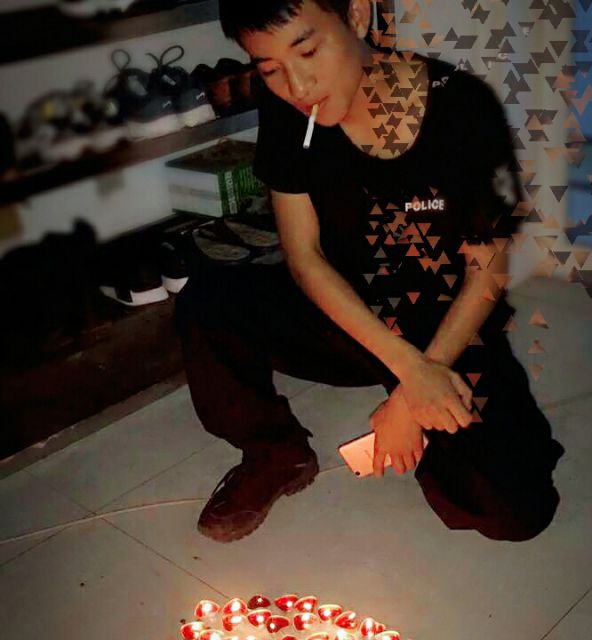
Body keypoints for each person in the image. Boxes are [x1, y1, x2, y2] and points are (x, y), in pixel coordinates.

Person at [175, 0, 564, 543]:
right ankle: (275, 453)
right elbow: (305, 257)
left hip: (444, 324)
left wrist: (417, 388)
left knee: (515, 510)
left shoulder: (462, 108)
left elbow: (487, 274)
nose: (298, 85)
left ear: (357, 15)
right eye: (270, 68)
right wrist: (408, 372)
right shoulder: (288, 109)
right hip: (346, 310)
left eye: (308, 51)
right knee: (208, 300)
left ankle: (467, 432)